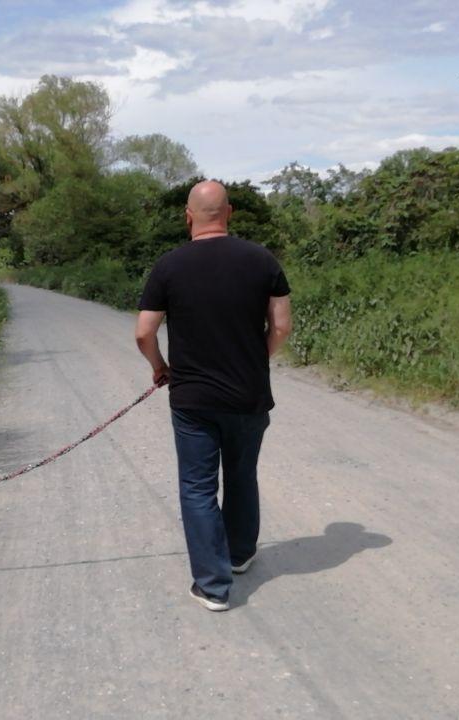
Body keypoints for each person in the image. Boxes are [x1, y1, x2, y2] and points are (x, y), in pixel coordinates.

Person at [135, 180, 292, 611]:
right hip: (249, 395)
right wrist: (257, 360)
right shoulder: (263, 260)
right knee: (242, 475)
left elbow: (144, 331)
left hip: (193, 400)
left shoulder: (169, 265)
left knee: (197, 486)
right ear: (230, 212)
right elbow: (281, 326)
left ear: (188, 216)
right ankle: (239, 555)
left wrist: (160, 368)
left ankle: (213, 585)